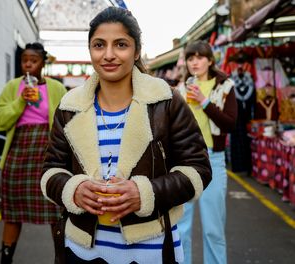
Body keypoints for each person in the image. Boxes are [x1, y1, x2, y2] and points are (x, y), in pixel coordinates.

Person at [41, 7, 212, 264]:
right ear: (90, 50)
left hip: (152, 249)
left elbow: (198, 170)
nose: (108, 55)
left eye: (120, 44)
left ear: (136, 50)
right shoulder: (69, 106)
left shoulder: (165, 100)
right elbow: (50, 171)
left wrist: (145, 193)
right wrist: (73, 190)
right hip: (81, 250)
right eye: (99, 45)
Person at [0, 42, 67, 264]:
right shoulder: (12, 87)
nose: (28, 64)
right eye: (24, 60)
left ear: (43, 63)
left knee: (54, 211)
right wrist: (20, 100)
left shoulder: (56, 88)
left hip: (48, 153)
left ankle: (60, 258)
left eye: (33, 60)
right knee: (13, 214)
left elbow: (67, 121)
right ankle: (6, 259)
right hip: (18, 153)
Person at [176, 40, 237, 264]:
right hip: (184, 160)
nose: (195, 62)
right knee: (181, 226)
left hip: (213, 158)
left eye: (199, 57)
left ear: (210, 60)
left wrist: (204, 102)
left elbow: (230, 124)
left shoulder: (225, 86)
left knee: (213, 228)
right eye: (190, 58)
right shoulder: (181, 89)